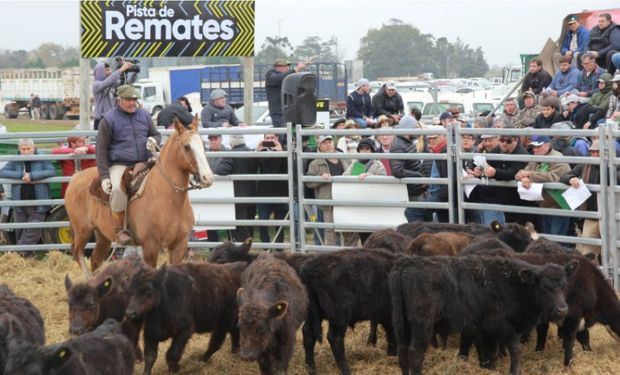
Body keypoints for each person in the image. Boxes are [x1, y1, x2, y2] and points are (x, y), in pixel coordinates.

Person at [95, 85, 161, 246]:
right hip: (120, 164)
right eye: (129, 100)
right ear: (119, 100)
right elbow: (101, 149)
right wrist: (104, 176)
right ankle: (120, 230)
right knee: (117, 189)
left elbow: (156, 133)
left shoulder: (145, 115)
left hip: (145, 161)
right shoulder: (108, 119)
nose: (133, 103)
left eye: (135, 99)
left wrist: (154, 140)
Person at [560, 140, 614, 262]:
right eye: (592, 152)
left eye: (597, 152)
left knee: (612, 253)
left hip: (610, 215)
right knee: (587, 253)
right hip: (591, 215)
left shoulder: (614, 164)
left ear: (606, 153)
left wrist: (605, 168)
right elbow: (564, 175)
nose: (594, 155)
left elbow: (614, 180)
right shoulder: (585, 165)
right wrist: (572, 178)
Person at [0, 138, 56, 247]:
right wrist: (21, 175)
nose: (26, 152)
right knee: (20, 231)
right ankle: (26, 257)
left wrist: (32, 176)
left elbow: (51, 171)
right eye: (23, 149)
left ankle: (17, 253)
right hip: (20, 202)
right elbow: (2, 172)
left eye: (28, 149)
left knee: (33, 231)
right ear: (19, 149)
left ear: (33, 148)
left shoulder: (41, 157)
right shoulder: (15, 159)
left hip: (38, 202)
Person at [515, 135, 571, 236]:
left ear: (548, 145)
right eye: (534, 147)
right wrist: (524, 177)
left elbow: (554, 177)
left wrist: (529, 175)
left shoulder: (557, 158)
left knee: (557, 238)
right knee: (547, 237)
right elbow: (520, 173)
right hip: (544, 205)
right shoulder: (534, 159)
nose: (535, 149)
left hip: (558, 205)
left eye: (538, 146)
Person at [305, 135, 351, 246]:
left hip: (344, 201)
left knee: (347, 230)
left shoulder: (345, 158)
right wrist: (320, 178)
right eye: (324, 143)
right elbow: (308, 182)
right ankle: (329, 253)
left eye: (330, 141)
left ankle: (346, 254)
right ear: (319, 146)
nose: (328, 144)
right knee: (328, 231)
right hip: (326, 203)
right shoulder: (315, 163)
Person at [214, 134, 257, 242]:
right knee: (249, 223)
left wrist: (219, 161)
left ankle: (241, 247)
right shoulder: (250, 152)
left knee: (239, 225)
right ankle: (249, 245)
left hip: (237, 196)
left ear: (232, 142)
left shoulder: (231, 154)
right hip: (252, 194)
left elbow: (221, 170)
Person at [343, 137, 386, 245]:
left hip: (373, 205)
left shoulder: (378, 165)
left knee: (372, 235)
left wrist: (370, 176)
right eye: (361, 149)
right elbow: (344, 177)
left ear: (372, 150)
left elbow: (384, 182)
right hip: (358, 204)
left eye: (367, 149)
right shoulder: (355, 164)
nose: (364, 151)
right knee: (361, 234)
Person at [390, 115, 427, 222]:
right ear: (408, 128)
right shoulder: (398, 145)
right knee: (415, 220)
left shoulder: (406, 142)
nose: (417, 130)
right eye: (415, 127)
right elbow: (397, 171)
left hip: (416, 188)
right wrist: (419, 176)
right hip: (412, 190)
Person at [255, 133, 288, 246]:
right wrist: (256, 152)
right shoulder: (260, 152)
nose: (269, 140)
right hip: (264, 193)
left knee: (280, 223)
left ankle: (279, 248)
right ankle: (266, 247)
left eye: (272, 138)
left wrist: (281, 152)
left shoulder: (284, 151)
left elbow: (289, 167)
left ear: (277, 139)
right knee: (262, 222)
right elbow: (253, 167)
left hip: (280, 192)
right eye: (267, 138)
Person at [92, 60, 137, 130]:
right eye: (107, 70)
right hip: (101, 120)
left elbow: (126, 83)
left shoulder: (112, 83)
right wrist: (121, 69)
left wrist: (134, 73)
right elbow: (106, 83)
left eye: (110, 69)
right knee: (102, 140)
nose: (110, 72)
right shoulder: (96, 85)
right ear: (100, 72)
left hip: (112, 118)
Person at [265, 58, 306, 127]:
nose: (287, 68)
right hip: (278, 112)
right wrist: (295, 70)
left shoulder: (286, 77)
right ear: (278, 67)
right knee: (282, 132)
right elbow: (278, 78)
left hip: (289, 111)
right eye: (285, 66)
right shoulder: (271, 75)